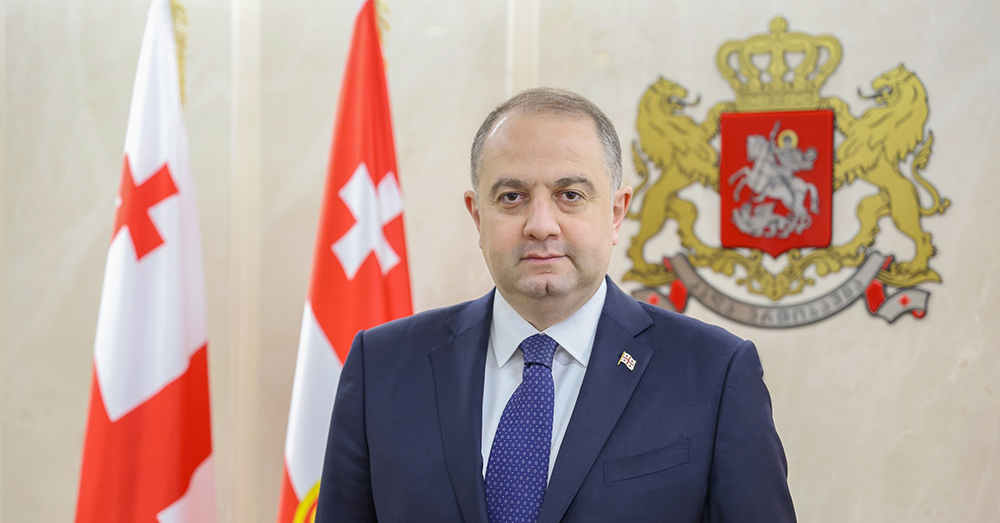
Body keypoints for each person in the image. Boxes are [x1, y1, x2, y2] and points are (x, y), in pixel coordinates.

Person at [315, 88, 796, 522]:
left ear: (616, 212)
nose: (541, 225)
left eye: (570, 195)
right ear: (477, 215)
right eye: (512, 197)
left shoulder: (715, 372)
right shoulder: (382, 366)